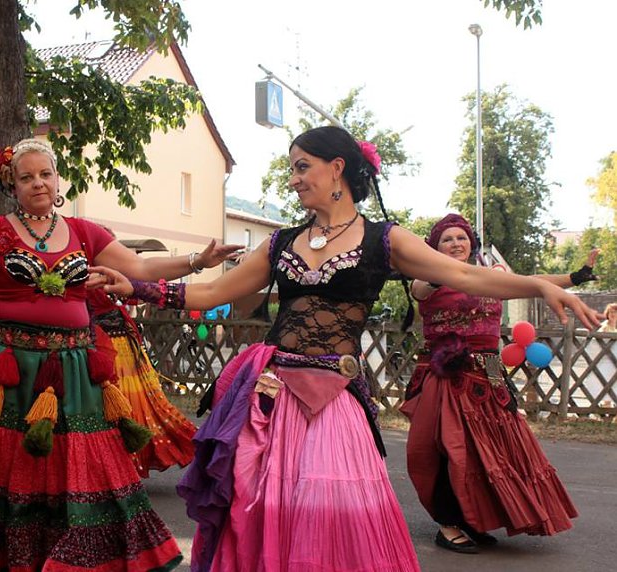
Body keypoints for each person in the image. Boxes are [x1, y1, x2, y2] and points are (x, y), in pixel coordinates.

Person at [93, 125, 603, 572]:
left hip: (334, 396)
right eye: (292, 168)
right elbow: (210, 293)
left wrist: (541, 284)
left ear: (336, 168)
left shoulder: (385, 239)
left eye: (301, 167)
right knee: (261, 505)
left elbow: (466, 275)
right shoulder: (280, 243)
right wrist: (134, 287)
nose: (293, 178)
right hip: (271, 393)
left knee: (334, 509)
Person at [0, 138, 239, 572]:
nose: (38, 183)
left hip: (73, 371)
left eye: (45, 174)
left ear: (58, 179)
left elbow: (140, 268)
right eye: (26, 177)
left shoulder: (83, 231)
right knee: (3, 468)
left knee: (77, 470)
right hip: (7, 370)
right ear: (12, 183)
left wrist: (198, 259)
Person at [401, 214, 599, 554]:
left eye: (461, 238)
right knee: (449, 450)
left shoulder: (492, 277)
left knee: (490, 453)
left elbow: (532, 280)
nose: (455, 244)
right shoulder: (426, 278)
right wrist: (432, 270)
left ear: (471, 244)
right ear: (435, 248)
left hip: (489, 375)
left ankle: (472, 519)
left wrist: (574, 277)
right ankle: (448, 524)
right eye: (446, 239)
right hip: (447, 378)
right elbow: (420, 289)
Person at [89, 285, 196, 477]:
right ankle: (116, 462)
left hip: (117, 346)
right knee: (117, 401)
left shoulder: (105, 275)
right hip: (108, 343)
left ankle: (122, 461)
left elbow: (133, 295)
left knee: (130, 402)